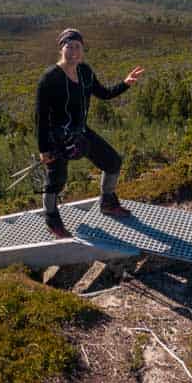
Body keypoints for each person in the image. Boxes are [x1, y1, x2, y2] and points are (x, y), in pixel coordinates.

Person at [35, 28, 145, 238]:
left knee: (112, 162)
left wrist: (125, 84)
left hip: (81, 132)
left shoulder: (85, 71)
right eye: (70, 46)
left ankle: (107, 202)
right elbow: (40, 117)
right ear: (62, 48)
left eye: (78, 46)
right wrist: (44, 149)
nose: (74, 50)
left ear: (82, 49)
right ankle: (51, 218)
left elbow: (102, 93)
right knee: (56, 181)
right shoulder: (50, 78)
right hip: (56, 139)